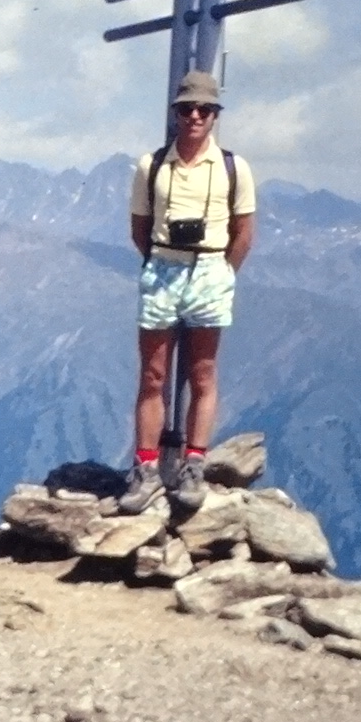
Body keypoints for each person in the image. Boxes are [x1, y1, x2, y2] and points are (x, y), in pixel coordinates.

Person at [122, 70, 256, 518]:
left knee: (202, 373)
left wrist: (220, 273)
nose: (195, 116)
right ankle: (146, 468)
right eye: (186, 109)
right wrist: (163, 260)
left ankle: (194, 462)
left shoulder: (235, 169)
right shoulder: (151, 166)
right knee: (153, 375)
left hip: (208, 271)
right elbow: (140, 230)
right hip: (164, 267)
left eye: (204, 109)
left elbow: (244, 232)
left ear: (215, 115)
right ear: (176, 113)